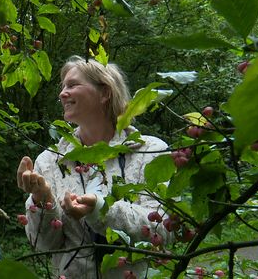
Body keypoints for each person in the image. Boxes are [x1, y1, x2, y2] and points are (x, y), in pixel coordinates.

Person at [16, 56, 170, 278]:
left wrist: (101, 211)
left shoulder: (150, 151)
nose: (62, 93)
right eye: (62, 87)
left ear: (105, 93)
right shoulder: (50, 161)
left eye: (72, 85)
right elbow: (42, 244)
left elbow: (163, 229)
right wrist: (43, 201)